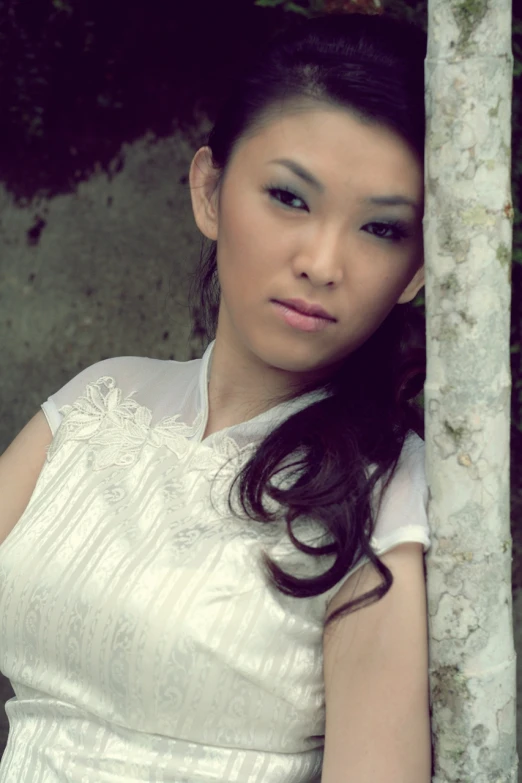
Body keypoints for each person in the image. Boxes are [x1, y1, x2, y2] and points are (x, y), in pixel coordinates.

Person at [0, 12, 432, 783]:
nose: (323, 261)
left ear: (419, 271)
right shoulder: (99, 400)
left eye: (380, 228)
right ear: (209, 189)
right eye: (290, 198)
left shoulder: (389, 493)